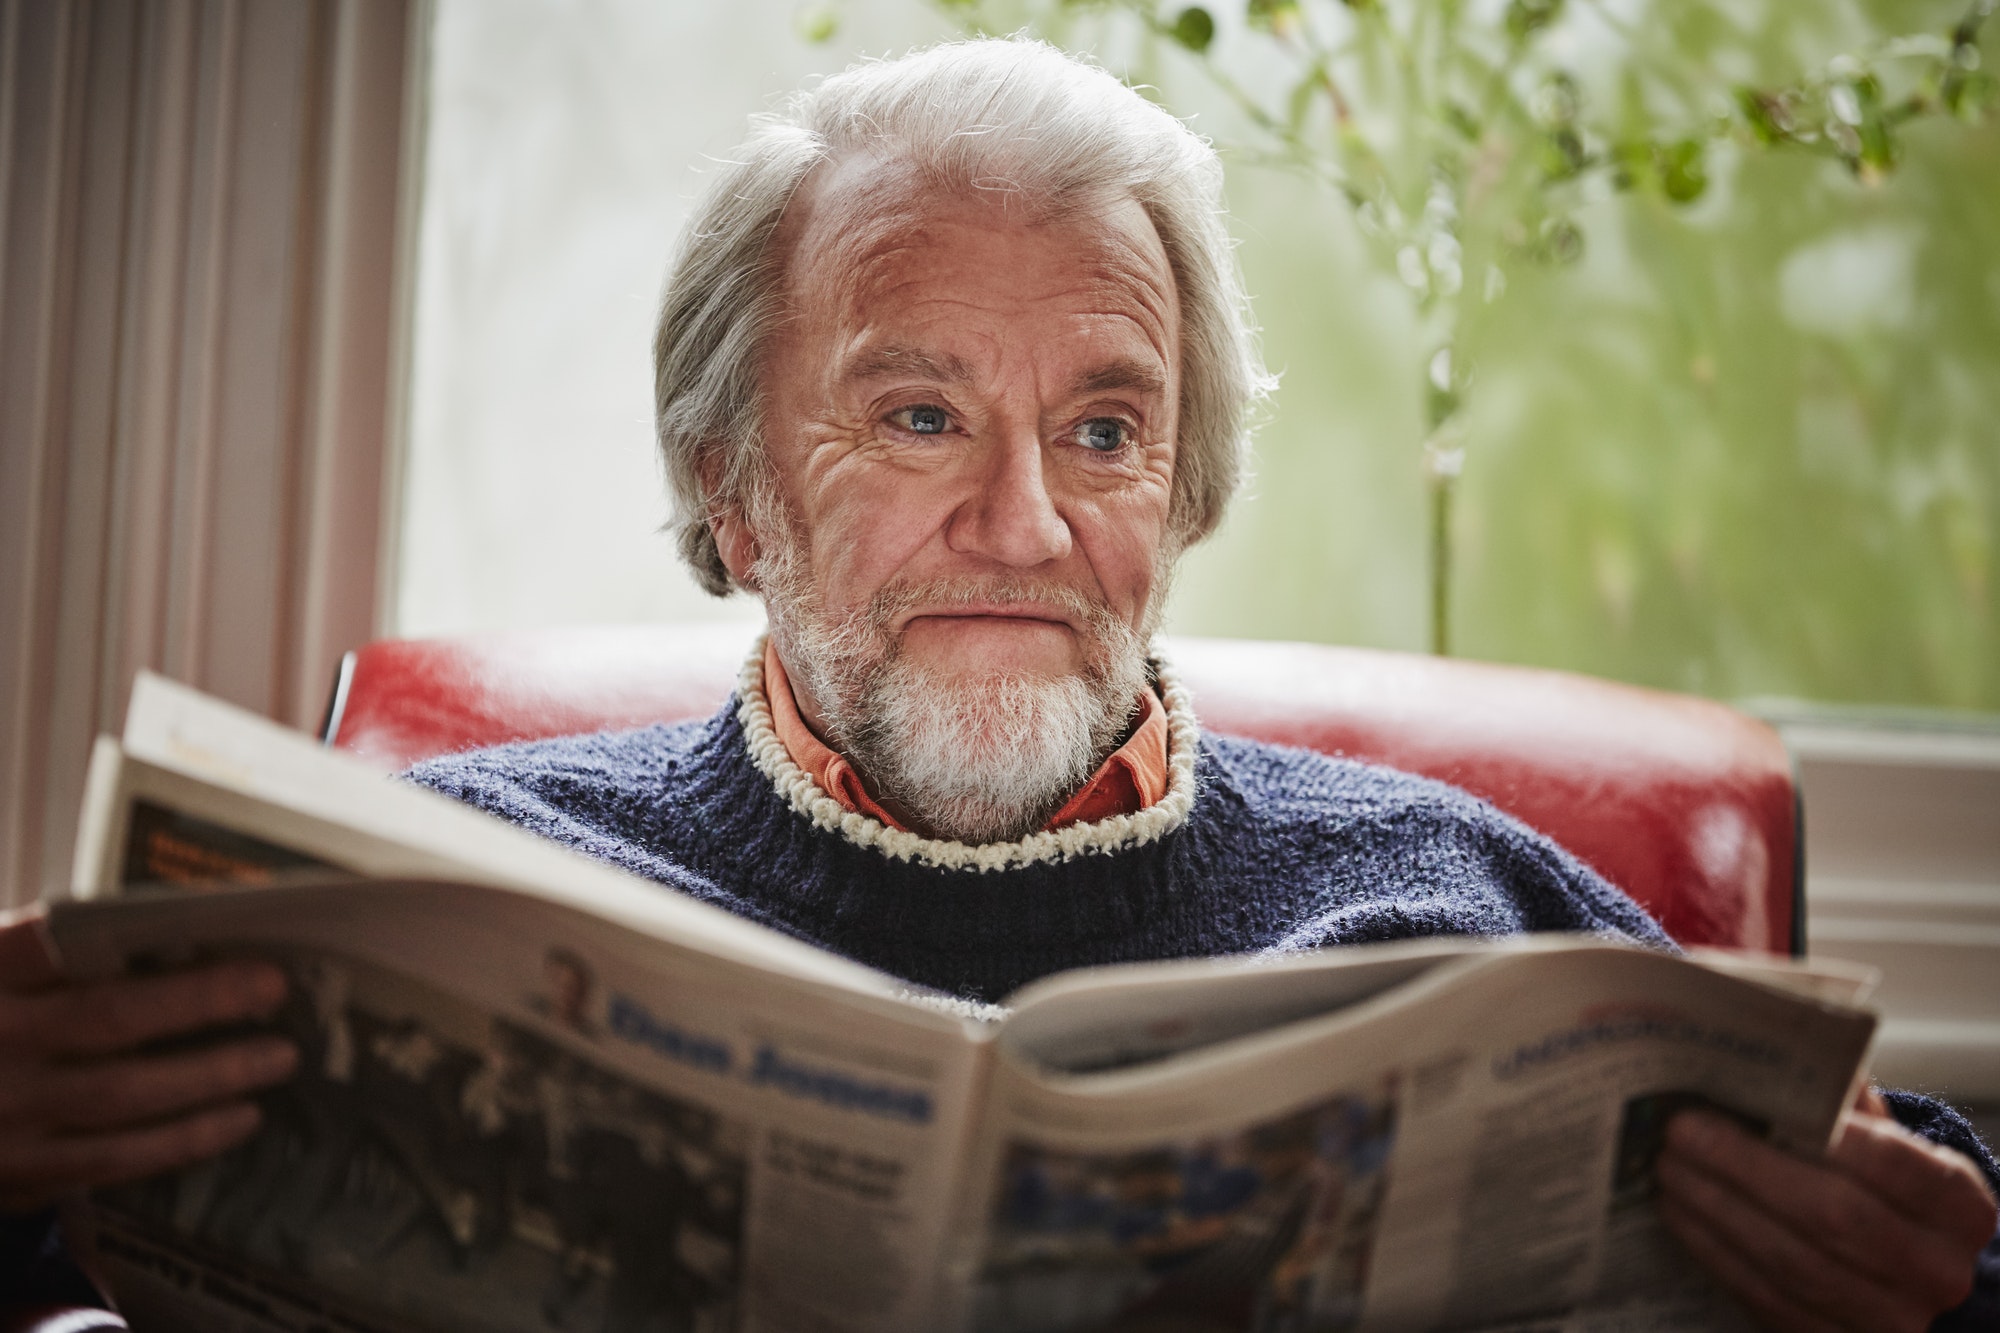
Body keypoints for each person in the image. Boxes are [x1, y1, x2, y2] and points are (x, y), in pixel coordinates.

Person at [1, 37, 1994, 1332]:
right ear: (738, 491)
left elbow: (1908, 1188)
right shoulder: (433, 880)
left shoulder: (1454, 890)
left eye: (1108, 431)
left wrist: (1937, 1244)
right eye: (921, 413)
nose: (1026, 525)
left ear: (1186, 493)